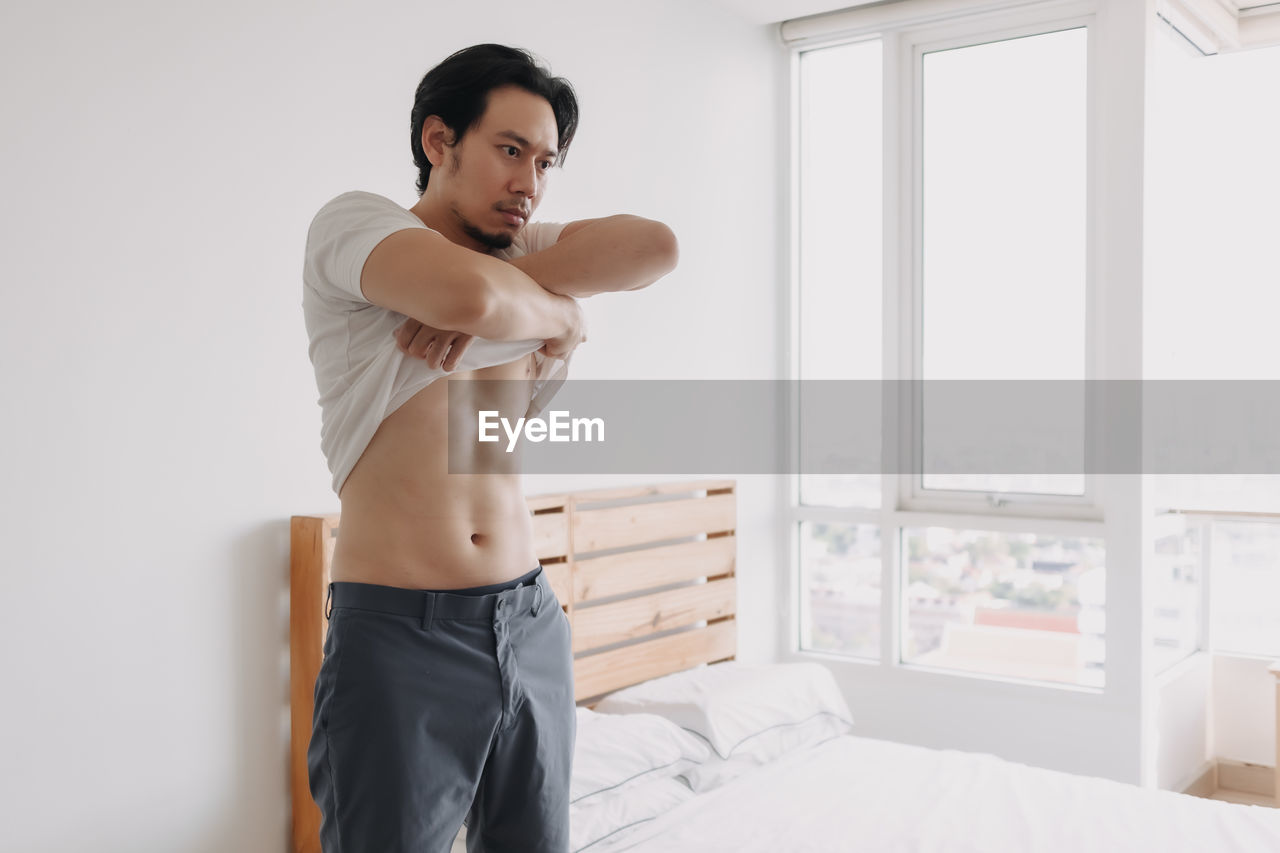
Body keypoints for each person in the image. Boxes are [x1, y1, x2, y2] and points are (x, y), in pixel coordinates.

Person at [299, 43, 678, 853]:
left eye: (545, 162)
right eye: (510, 150)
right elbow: (464, 293)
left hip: (531, 620)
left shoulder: (524, 257)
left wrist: (526, 298)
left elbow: (656, 247)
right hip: (402, 634)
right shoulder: (356, 227)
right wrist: (564, 313)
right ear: (439, 142)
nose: (529, 182)